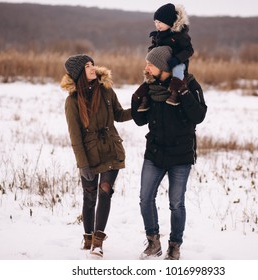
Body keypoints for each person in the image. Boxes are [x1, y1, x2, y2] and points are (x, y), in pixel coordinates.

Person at [131, 46, 207, 260]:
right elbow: (139, 120)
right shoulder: (151, 87)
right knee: (145, 198)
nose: (146, 67)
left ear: (164, 67)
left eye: (151, 64)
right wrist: (137, 97)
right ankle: (153, 242)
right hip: (155, 153)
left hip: (180, 155)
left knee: (176, 203)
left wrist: (182, 91)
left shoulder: (189, 84)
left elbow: (199, 115)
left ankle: (175, 245)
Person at [61, 54, 132, 258]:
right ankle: (88, 237)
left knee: (105, 191)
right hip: (89, 155)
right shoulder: (72, 101)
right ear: (78, 73)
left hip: (111, 149)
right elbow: (75, 137)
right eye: (87, 66)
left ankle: (98, 242)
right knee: (90, 195)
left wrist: (139, 109)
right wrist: (83, 165)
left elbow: (118, 114)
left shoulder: (106, 90)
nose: (93, 68)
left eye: (92, 64)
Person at [138, 3, 194, 112]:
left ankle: (175, 93)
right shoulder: (158, 35)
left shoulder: (180, 35)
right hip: (161, 63)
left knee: (177, 70)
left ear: (170, 21)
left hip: (177, 62)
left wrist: (177, 59)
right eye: (155, 22)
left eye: (160, 22)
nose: (157, 25)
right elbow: (153, 47)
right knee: (148, 71)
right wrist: (151, 53)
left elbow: (189, 50)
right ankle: (145, 97)